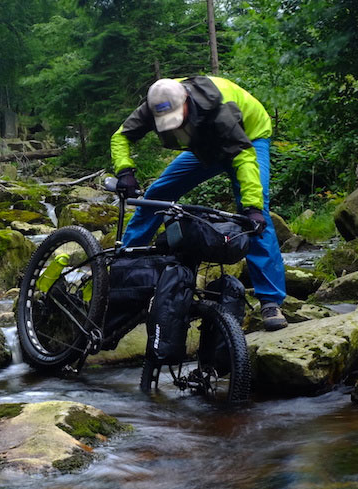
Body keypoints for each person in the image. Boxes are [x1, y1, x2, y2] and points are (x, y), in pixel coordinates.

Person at [111, 76, 288, 331]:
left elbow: (243, 157)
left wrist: (252, 207)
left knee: (253, 217)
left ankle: (271, 302)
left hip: (248, 139)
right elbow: (121, 137)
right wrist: (124, 171)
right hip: (205, 145)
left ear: (186, 101)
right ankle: (122, 266)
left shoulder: (219, 110)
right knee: (156, 196)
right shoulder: (156, 103)